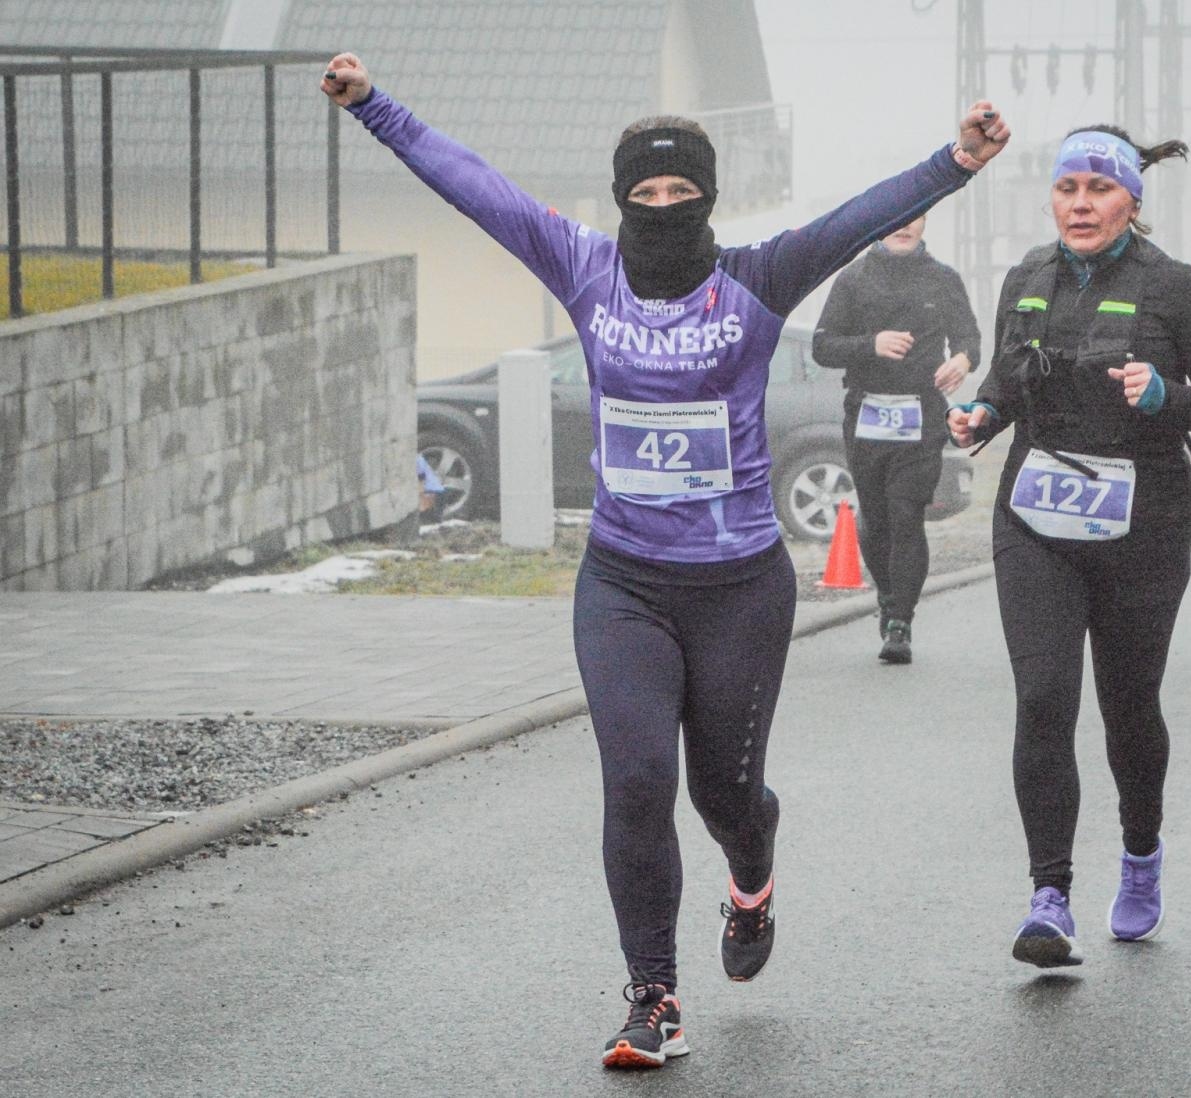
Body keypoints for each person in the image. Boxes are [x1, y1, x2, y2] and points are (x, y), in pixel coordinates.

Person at [320, 53, 1011, 1067]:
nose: (661, 206)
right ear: (617, 202)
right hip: (624, 580)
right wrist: (372, 105)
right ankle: (653, 997)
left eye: (681, 191)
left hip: (738, 586)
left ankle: (752, 875)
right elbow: (472, 184)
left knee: (724, 798)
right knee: (638, 780)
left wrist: (955, 161)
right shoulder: (582, 267)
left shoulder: (758, 279)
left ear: (709, 199)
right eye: (643, 193)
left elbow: (858, 216)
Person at [947, 125, 1191, 967]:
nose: (1081, 204)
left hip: (1143, 521)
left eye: (1099, 189)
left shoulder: (1176, 288)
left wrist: (1166, 393)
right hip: (1036, 515)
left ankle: (1142, 856)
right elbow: (1007, 382)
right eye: (1067, 188)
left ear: (1132, 200)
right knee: (1044, 697)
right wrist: (981, 416)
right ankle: (1049, 898)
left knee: (1127, 707)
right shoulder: (1027, 278)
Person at [811, 215, 982, 661]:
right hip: (866, 412)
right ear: (881, 225)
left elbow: (970, 339)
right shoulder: (853, 279)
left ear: (926, 222)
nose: (904, 227)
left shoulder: (942, 279)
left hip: (922, 413)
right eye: (897, 220)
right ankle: (888, 597)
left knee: (907, 513)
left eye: (916, 219)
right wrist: (871, 344)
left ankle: (901, 622)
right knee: (878, 517)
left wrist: (962, 361)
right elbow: (823, 346)